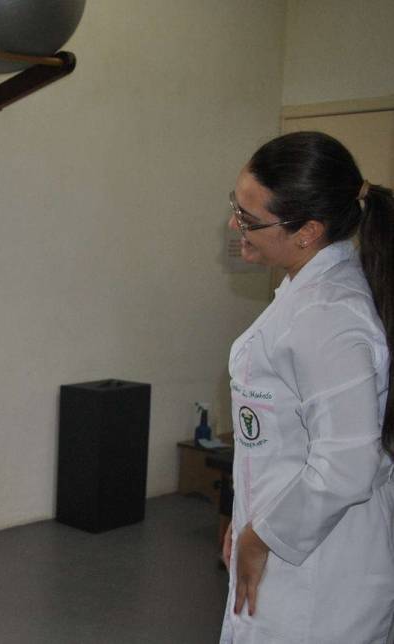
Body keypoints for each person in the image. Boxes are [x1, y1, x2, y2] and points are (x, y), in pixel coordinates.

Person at [221, 131, 394, 642]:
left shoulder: (329, 317)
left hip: (322, 578)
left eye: (249, 218)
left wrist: (261, 537)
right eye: (236, 206)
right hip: (291, 543)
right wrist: (245, 514)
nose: (234, 225)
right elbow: (283, 443)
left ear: (307, 231)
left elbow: (347, 466)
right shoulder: (305, 292)